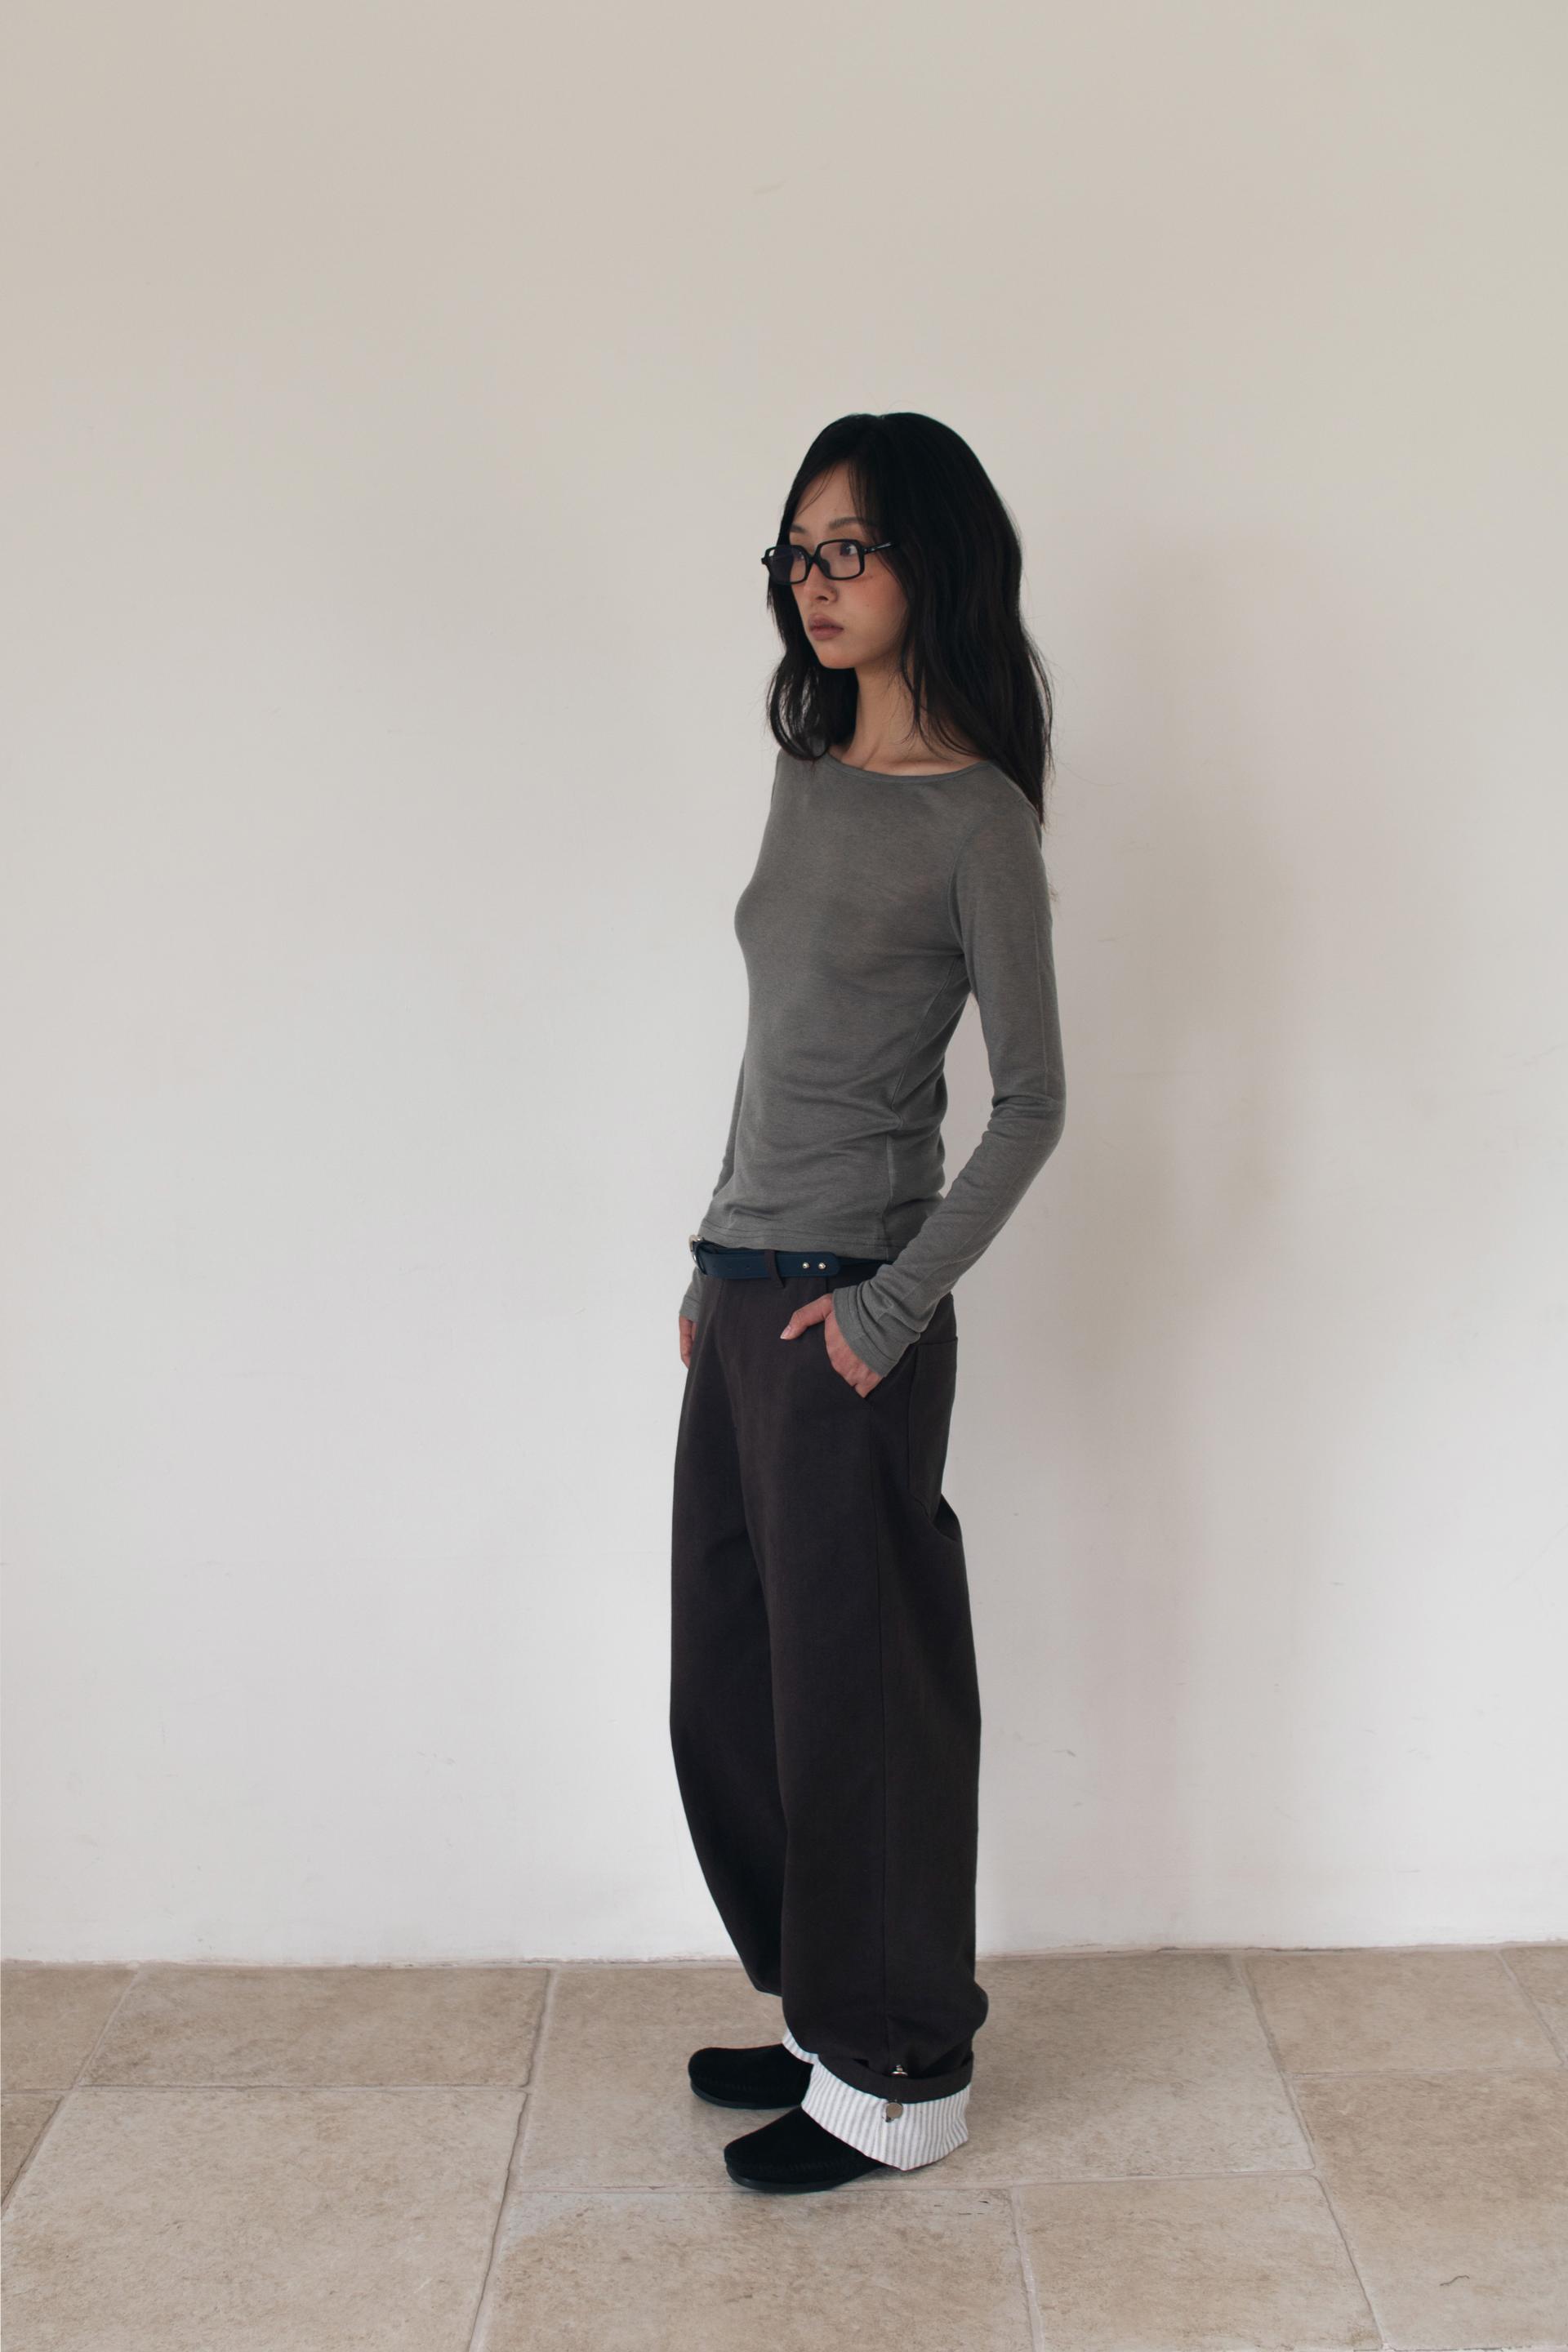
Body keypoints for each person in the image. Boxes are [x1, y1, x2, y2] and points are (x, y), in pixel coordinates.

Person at [670, 411, 1067, 2193]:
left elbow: (1034, 1102)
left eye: (849, 549)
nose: (814, 582)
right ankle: (829, 2008)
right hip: (744, 1289)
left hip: (852, 1315)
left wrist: (891, 1312)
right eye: (797, 551)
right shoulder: (809, 774)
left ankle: (899, 2075)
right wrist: (708, 1248)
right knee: (733, 1685)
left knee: (863, 1703)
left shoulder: (978, 821)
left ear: (930, 560)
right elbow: (775, 1049)